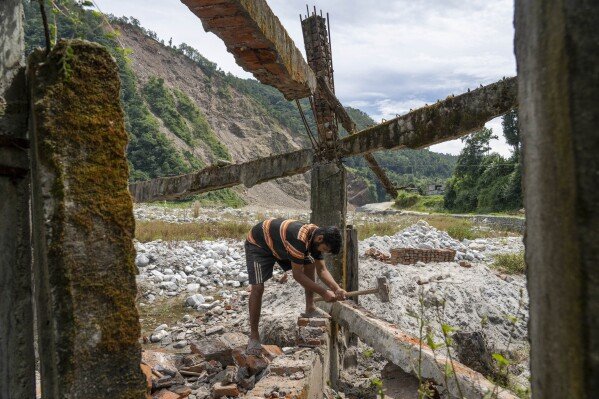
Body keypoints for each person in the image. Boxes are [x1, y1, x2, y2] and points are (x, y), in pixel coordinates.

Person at [244, 218, 347, 355]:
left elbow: (321, 270)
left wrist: (336, 288)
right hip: (259, 244)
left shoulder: (314, 235)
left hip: (280, 245)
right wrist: (324, 292)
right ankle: (254, 336)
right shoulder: (298, 240)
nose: (323, 252)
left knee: (309, 262)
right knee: (258, 287)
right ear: (320, 238)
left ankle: (310, 308)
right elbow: (297, 275)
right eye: (325, 249)